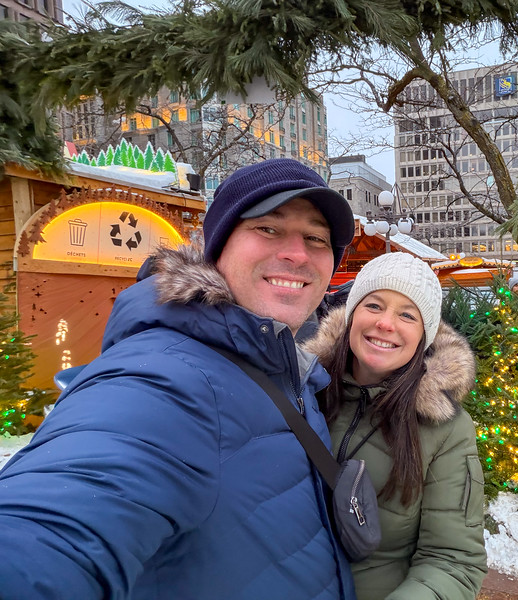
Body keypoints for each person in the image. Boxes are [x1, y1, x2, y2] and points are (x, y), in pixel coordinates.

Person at [0, 158, 358, 600]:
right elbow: (55, 525)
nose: (297, 253)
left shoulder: (291, 371)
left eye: (316, 238)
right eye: (268, 228)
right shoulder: (164, 375)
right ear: (218, 247)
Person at [302, 252, 487, 600]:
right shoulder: (302, 390)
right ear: (352, 314)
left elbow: (454, 560)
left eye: (407, 314)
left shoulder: (445, 428)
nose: (386, 323)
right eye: (373, 305)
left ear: (423, 335)